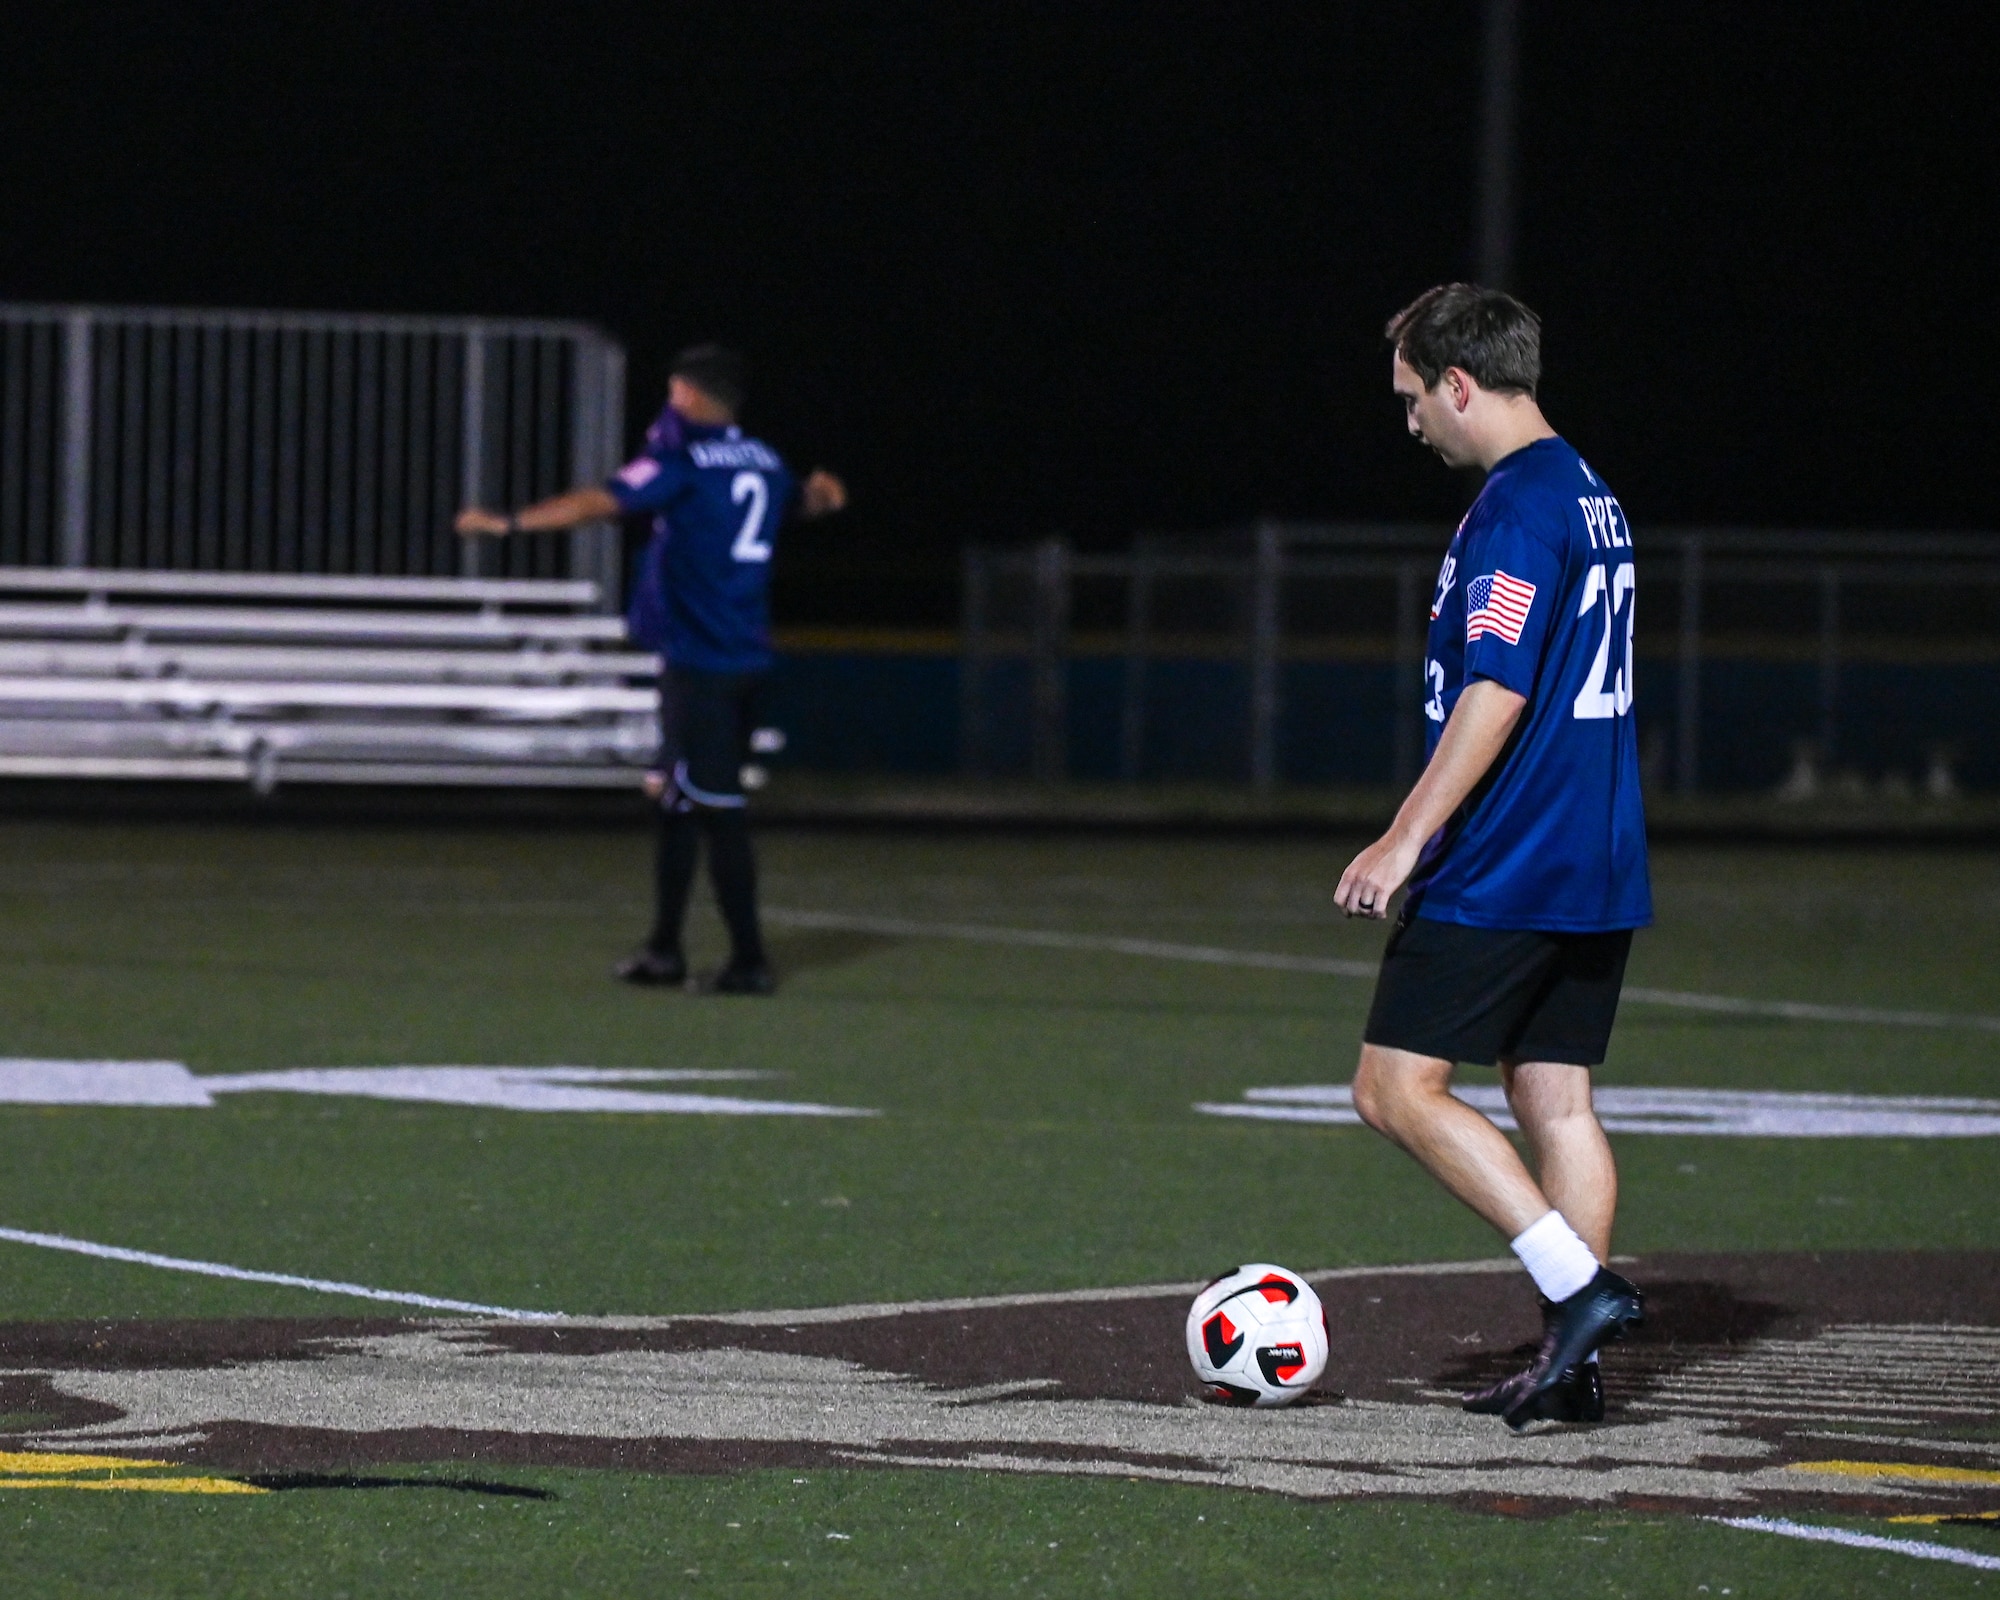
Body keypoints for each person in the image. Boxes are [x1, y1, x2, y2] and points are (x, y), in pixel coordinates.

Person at [1335, 285, 1651, 1428]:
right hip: (1595, 849)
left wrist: (1403, 835)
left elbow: (1497, 683)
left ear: (1459, 384)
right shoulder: (1590, 491)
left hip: (1510, 853)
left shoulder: (1516, 506)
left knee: (1391, 1088)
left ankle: (1580, 1295)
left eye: (1413, 396)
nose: (1409, 418)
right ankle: (1572, 1369)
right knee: (1552, 1099)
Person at [457, 344, 847, 994]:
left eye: (673, 393)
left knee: (718, 809)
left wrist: (509, 523)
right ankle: (663, 949)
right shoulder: (765, 459)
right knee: (676, 801)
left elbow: (602, 501)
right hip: (741, 657)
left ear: (689, 396)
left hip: (705, 665)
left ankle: (749, 962)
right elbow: (793, 503)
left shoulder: (685, 461)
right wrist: (822, 500)